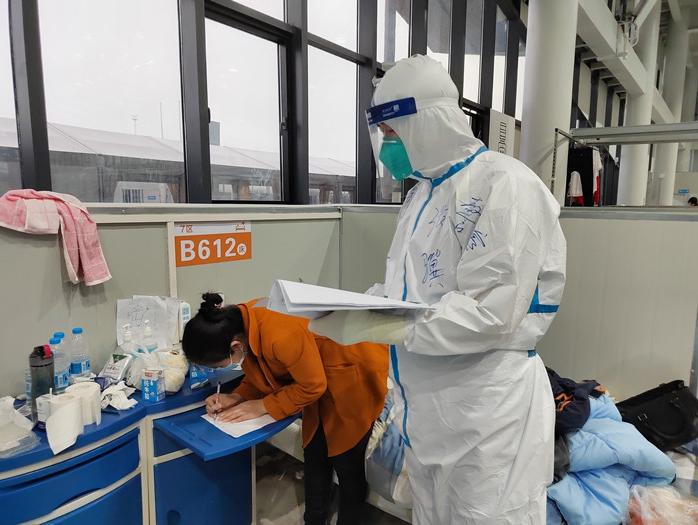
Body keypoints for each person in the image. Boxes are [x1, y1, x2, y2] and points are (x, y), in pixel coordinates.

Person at [309, 55, 567, 524]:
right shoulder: (422, 195)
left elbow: (490, 314)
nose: (387, 146)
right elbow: (410, 289)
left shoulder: (504, 184)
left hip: (486, 412)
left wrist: (381, 325)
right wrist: (356, 305)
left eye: (392, 133)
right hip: (427, 410)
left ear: (427, 124)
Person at [182, 293, 388, 525]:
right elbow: (262, 367)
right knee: (314, 451)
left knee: (346, 460)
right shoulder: (238, 323)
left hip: (353, 371)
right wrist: (237, 395)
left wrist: (263, 405)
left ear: (235, 346)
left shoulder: (279, 334)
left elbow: (312, 385)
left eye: (220, 365)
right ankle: (314, 519)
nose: (222, 369)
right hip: (315, 373)